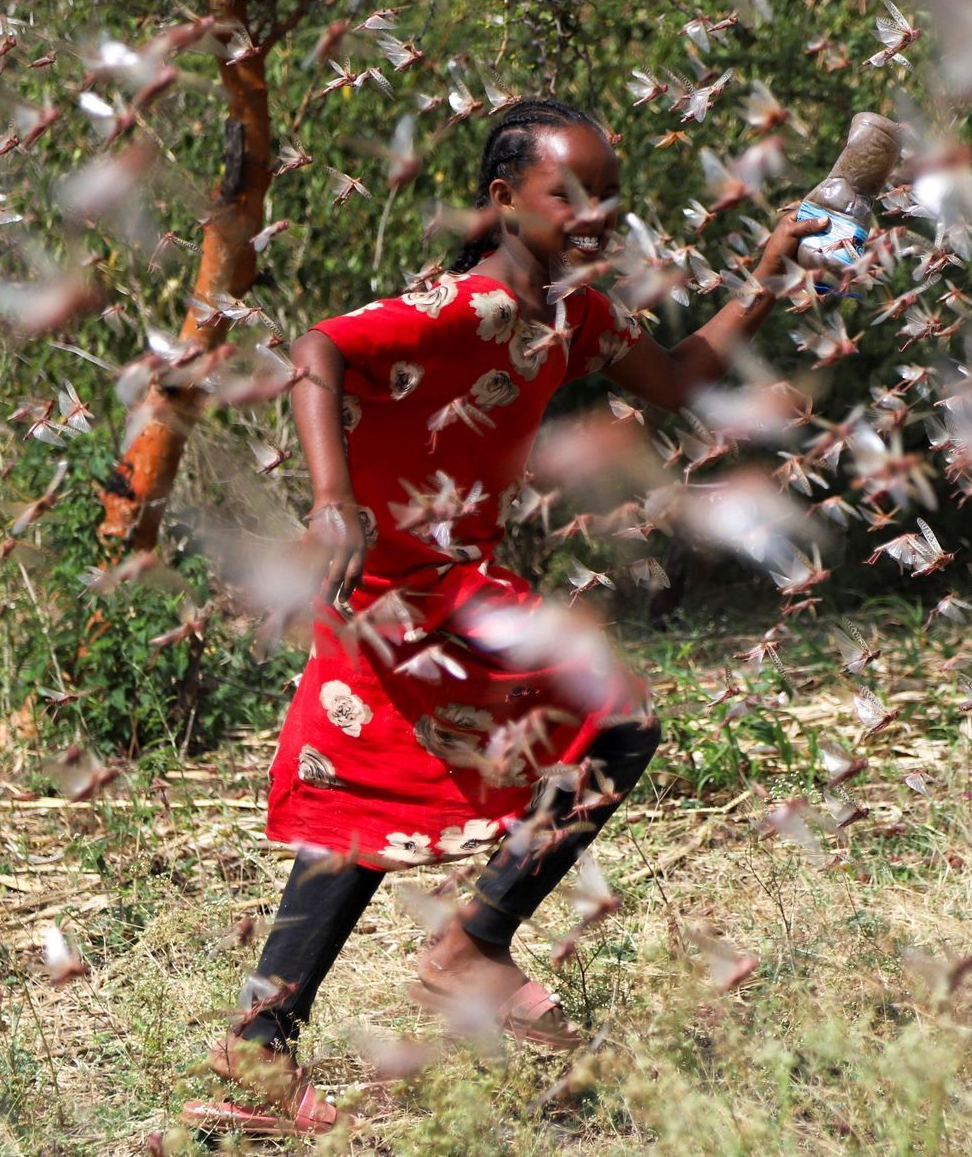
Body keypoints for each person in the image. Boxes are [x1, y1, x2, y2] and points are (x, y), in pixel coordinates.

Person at [186, 98, 828, 1133]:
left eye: (606, 196)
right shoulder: (460, 305)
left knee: (407, 799)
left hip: (450, 584)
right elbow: (319, 349)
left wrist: (769, 273)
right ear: (502, 201)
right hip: (390, 586)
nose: (593, 214)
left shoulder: (574, 313)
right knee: (554, 742)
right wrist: (330, 498)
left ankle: (317, 1026)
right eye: (566, 194)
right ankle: (419, 972)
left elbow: (672, 377)